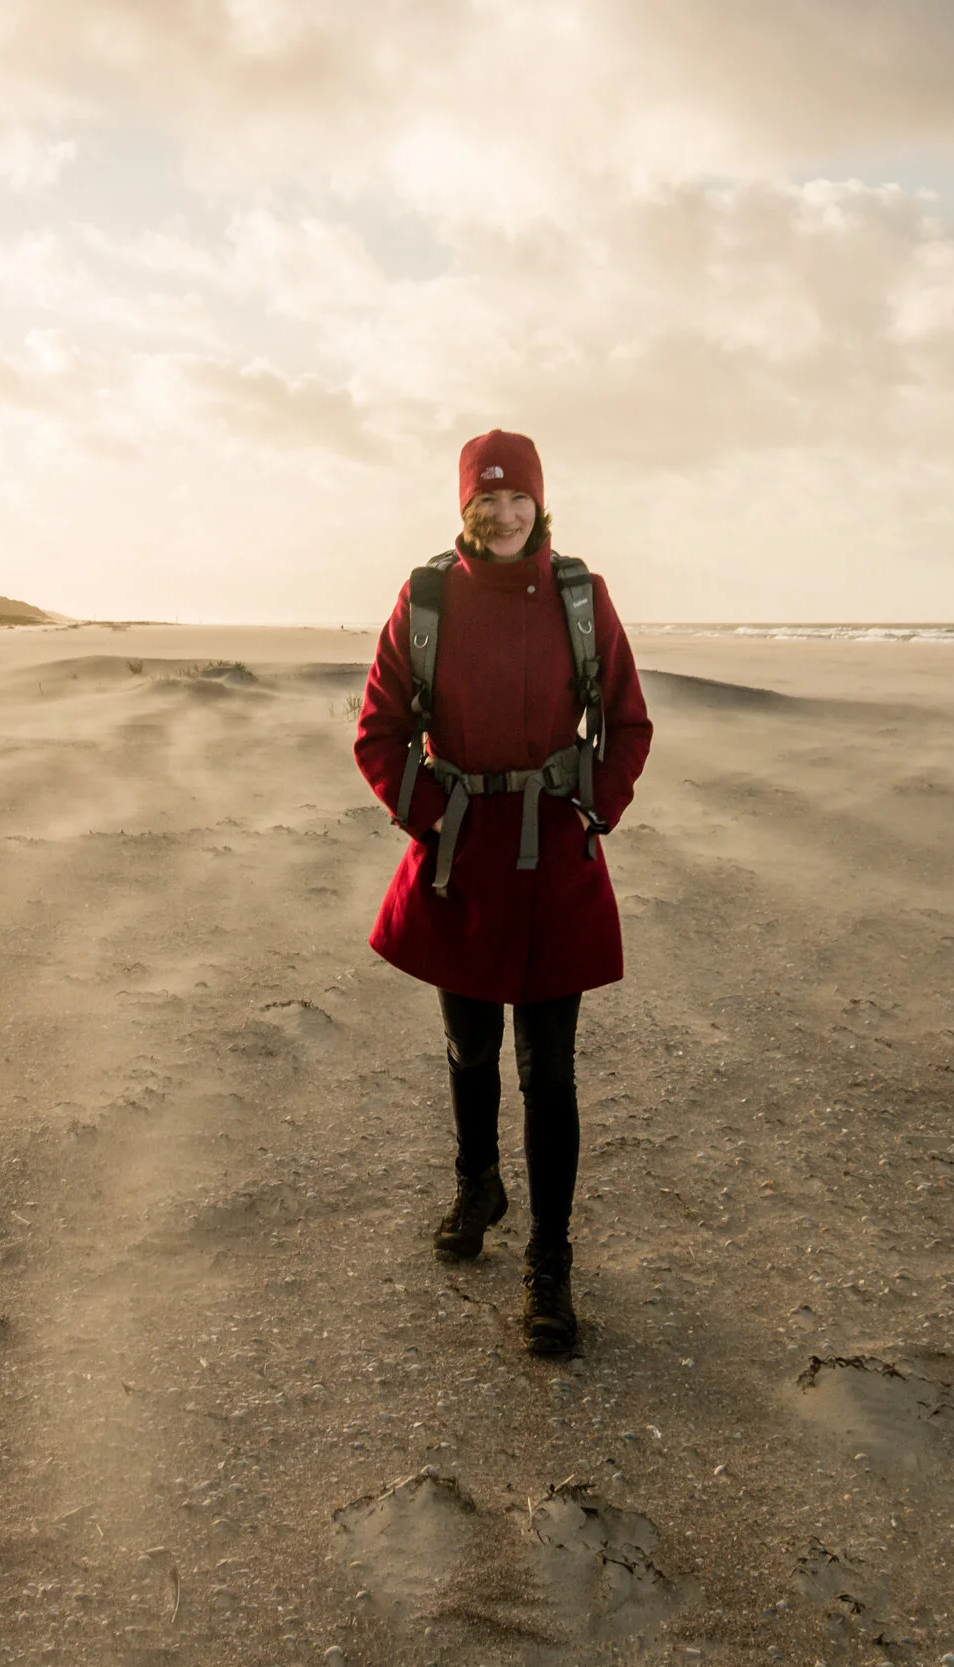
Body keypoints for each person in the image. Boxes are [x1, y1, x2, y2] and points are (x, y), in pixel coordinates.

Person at [353, 430, 653, 1356]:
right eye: (486, 501)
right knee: (470, 1047)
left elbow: (629, 722)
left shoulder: (580, 595)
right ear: (464, 510)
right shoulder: (428, 598)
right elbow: (380, 730)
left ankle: (549, 1264)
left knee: (549, 1071)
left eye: (517, 497)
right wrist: (438, 816)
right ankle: (477, 1181)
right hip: (460, 861)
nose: (504, 512)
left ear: (539, 502)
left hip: (552, 858)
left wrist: (590, 813)